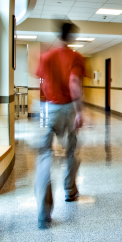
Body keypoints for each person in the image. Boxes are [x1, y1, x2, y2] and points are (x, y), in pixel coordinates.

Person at [34, 22, 85, 229]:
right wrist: (80, 111)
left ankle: (44, 211)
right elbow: (74, 83)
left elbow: (41, 83)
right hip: (68, 108)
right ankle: (70, 191)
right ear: (72, 37)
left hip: (49, 108)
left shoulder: (46, 57)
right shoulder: (75, 57)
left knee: (45, 155)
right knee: (71, 150)